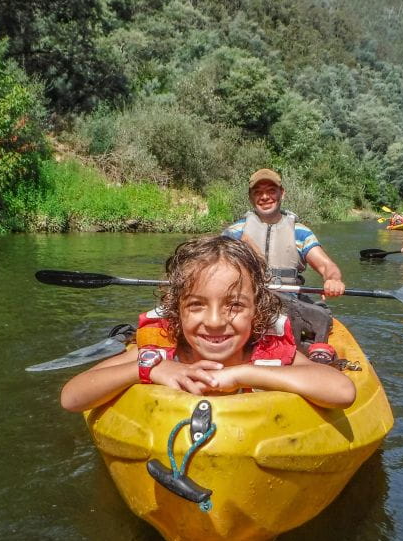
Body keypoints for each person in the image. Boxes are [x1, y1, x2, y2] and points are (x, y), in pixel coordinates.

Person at [60, 236, 356, 412]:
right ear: (176, 309)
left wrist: (243, 374)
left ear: (257, 309)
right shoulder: (161, 352)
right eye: (197, 304)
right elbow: (71, 397)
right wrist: (150, 368)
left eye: (235, 305)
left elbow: (342, 392)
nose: (215, 322)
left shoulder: (267, 353)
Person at [222, 168, 345, 351]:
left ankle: (310, 352)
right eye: (258, 192)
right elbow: (211, 264)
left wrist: (333, 279)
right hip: (248, 301)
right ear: (250, 197)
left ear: (282, 193)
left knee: (322, 316)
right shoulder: (234, 232)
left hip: (288, 303)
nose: (265, 196)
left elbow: (326, 265)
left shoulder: (300, 231)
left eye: (271, 190)